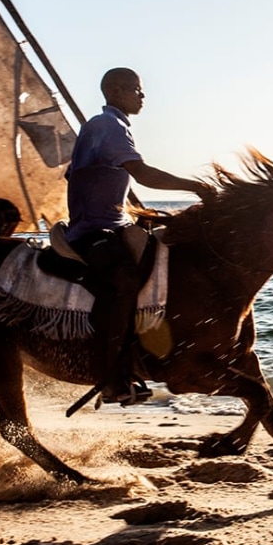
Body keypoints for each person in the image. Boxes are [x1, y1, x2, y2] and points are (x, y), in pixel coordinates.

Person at [65, 67, 208, 405]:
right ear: (114, 91)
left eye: (141, 91)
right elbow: (142, 173)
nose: (142, 96)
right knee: (125, 280)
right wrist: (195, 186)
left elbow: (98, 177)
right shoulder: (109, 126)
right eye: (135, 90)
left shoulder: (109, 126)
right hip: (94, 230)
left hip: (112, 224)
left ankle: (142, 354)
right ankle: (111, 374)